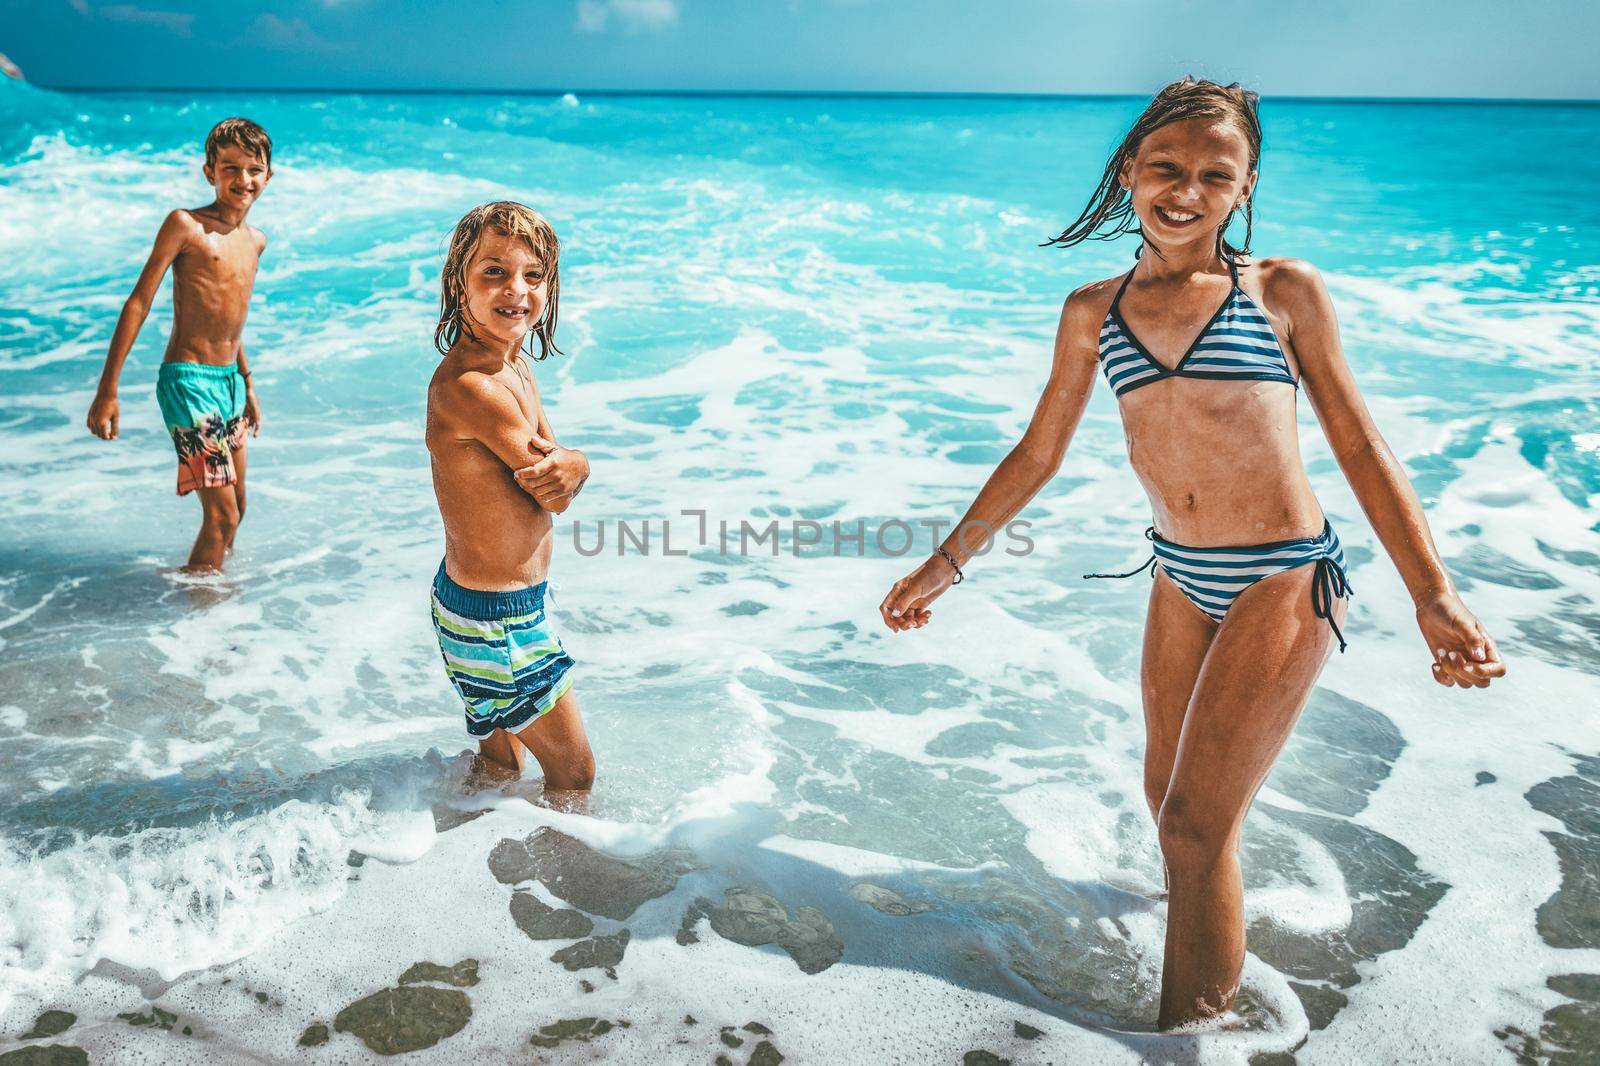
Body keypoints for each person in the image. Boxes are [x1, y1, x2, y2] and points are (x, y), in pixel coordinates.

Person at [878, 78, 1505, 1030]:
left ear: (1244, 188)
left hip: (1285, 575)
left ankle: (1188, 1042)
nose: (1186, 189)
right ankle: (1206, 948)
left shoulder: (1280, 291)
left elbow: (1360, 443)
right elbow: (1039, 452)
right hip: (1179, 575)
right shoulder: (1094, 310)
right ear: (1130, 170)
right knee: (1168, 796)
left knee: (1192, 826)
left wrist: (1435, 593)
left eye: (1216, 174)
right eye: (1166, 166)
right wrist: (945, 564)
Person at [425, 201, 595, 801]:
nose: (515, 289)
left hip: (478, 602)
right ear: (458, 282)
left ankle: (456, 853)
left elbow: (552, 470)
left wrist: (568, 467)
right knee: (575, 775)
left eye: (533, 274)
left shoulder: (514, 365)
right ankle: (567, 885)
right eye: (493, 271)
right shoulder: (472, 387)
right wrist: (580, 464)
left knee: (500, 770)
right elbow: (552, 478)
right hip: (499, 618)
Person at [86, 117, 272, 572]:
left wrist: (246, 384)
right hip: (188, 381)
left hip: (228, 383)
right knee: (222, 514)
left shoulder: (255, 241)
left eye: (253, 169)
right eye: (229, 168)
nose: (242, 179)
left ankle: (213, 595)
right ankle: (197, 617)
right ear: (209, 172)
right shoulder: (186, 226)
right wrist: (107, 390)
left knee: (238, 510)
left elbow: (231, 319)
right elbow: (138, 302)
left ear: (268, 176)